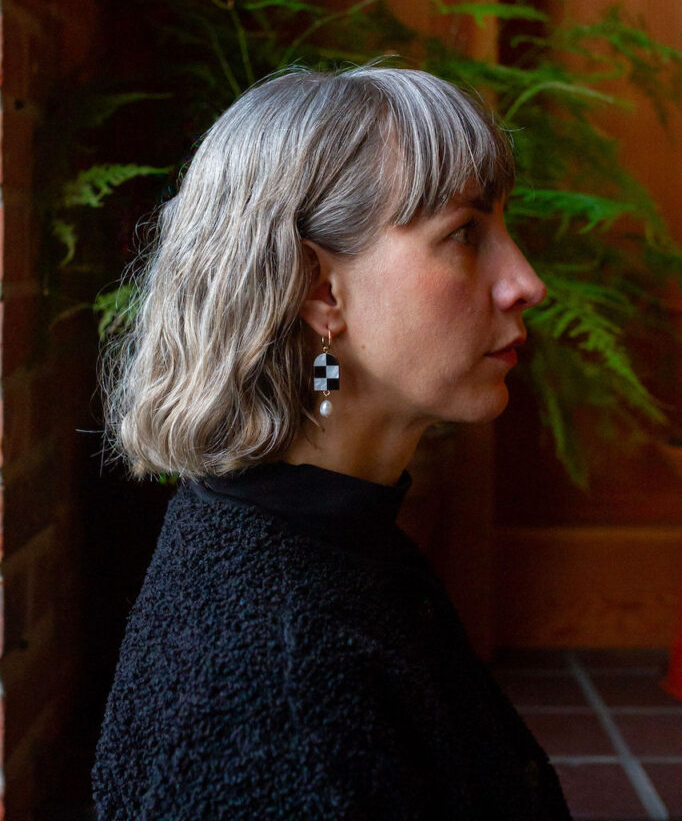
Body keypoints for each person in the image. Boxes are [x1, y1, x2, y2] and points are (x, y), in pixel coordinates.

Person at [92, 65, 572, 820]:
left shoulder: (328, 540)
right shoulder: (275, 694)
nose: (526, 282)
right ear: (321, 291)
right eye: (465, 234)